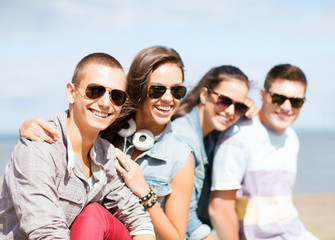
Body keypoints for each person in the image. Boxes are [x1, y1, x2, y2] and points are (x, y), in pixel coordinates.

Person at [18, 46, 194, 240]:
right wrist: (28, 128)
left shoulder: (179, 155)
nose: (168, 98)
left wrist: (144, 192)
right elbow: (76, 117)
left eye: (177, 90)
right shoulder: (106, 129)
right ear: (138, 90)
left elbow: (172, 236)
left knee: (93, 214)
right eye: (157, 89)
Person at [0, 53, 155, 239]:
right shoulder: (38, 149)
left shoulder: (105, 155)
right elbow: (47, 232)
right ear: (71, 93)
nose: (106, 103)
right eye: (95, 91)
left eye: (116, 96)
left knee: (96, 214)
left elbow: (137, 218)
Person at [208, 64, 318, 239]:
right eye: (279, 98)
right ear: (262, 95)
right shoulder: (238, 137)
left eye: (296, 101)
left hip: (295, 232)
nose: (287, 107)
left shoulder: (291, 138)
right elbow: (219, 209)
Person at [172, 65, 257, 239]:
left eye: (239, 106)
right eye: (224, 101)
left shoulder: (211, 134)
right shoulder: (183, 138)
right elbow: (185, 216)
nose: (231, 112)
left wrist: (250, 113)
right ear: (204, 95)